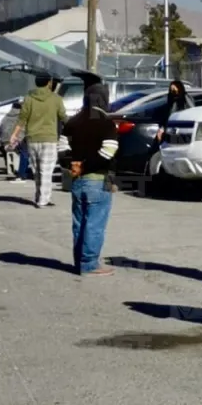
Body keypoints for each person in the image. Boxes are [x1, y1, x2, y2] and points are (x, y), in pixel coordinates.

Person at [61, 76, 120, 276]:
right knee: (95, 223)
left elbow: (61, 148)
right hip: (99, 180)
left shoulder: (73, 122)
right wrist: (87, 166)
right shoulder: (106, 123)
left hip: (76, 180)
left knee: (79, 222)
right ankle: (89, 264)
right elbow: (108, 152)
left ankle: (79, 261)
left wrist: (74, 165)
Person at [8, 74, 67, 208]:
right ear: (49, 83)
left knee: (37, 170)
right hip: (49, 139)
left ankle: (39, 196)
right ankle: (43, 200)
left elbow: (22, 119)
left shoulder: (28, 99)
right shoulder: (56, 99)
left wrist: (14, 135)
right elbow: (63, 117)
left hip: (32, 139)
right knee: (46, 170)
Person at [153, 80, 191, 144]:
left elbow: (191, 110)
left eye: (174, 89)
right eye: (171, 90)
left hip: (183, 128)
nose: (172, 91)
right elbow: (167, 115)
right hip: (171, 129)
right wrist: (162, 128)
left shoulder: (185, 98)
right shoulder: (171, 100)